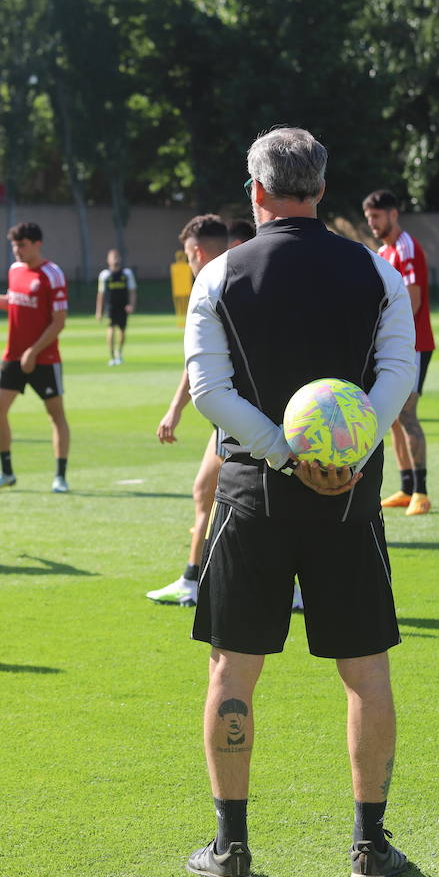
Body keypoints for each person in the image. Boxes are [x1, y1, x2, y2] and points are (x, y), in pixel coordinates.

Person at [182, 128, 417, 877]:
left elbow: (211, 394)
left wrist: (286, 456)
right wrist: (341, 457)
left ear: (256, 192)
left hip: (253, 495)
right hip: (349, 500)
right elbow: (398, 372)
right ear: (320, 189)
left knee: (232, 673)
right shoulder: (378, 271)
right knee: (366, 671)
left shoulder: (217, 276)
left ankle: (231, 851)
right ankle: (369, 852)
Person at [148, 214, 314, 611]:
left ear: (197, 252)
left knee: (228, 496)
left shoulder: (218, 284)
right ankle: (197, 577)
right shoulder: (244, 279)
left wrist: (175, 411)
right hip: (242, 412)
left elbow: (202, 367)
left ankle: (210, 581)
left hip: (240, 415)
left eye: (188, 255)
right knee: (209, 492)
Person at [0, 221, 72, 494]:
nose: (17, 251)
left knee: (55, 414)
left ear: (37, 244)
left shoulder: (52, 275)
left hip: (44, 358)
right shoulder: (14, 271)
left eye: (21, 245)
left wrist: (33, 351)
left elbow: (59, 322)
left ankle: (60, 476)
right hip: (13, 355)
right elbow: (13, 302)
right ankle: (6, 472)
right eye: (14, 246)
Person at [363, 189, 433, 517]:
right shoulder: (384, 251)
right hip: (392, 345)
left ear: (393, 214)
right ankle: (406, 487)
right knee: (391, 417)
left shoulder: (406, 247)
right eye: (369, 218)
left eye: (377, 217)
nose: (373, 223)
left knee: (407, 415)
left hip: (413, 345)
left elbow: (413, 301)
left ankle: (421, 490)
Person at [95, 248, 137, 365]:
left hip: (123, 306)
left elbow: (132, 291)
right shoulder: (104, 275)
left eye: (117, 257)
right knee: (111, 328)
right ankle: (112, 355)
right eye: (113, 258)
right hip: (111, 306)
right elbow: (101, 294)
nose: (115, 260)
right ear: (108, 260)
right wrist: (99, 311)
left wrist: (131, 305)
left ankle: (119, 352)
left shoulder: (127, 274)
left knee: (122, 331)